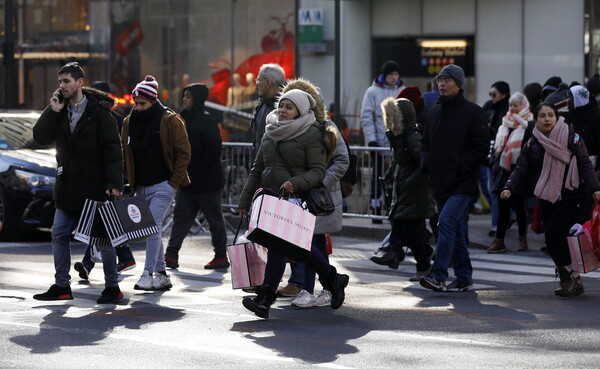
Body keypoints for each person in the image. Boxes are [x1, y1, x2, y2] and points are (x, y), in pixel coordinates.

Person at [238, 89, 350, 319]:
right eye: (282, 105)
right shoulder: (271, 132)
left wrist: (295, 183)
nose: (283, 110)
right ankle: (331, 278)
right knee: (287, 247)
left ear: (301, 110)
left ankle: (265, 299)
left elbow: (319, 171)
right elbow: (257, 170)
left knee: (287, 247)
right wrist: (244, 199)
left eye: (289, 107)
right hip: (271, 199)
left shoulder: (311, 133)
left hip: (296, 199)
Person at [32, 62, 124, 304]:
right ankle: (62, 285)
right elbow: (39, 137)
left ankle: (112, 287)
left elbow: (113, 150)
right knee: (59, 233)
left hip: (94, 186)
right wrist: (51, 111)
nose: (61, 86)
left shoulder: (100, 113)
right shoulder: (59, 109)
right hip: (67, 186)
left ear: (79, 82)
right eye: (59, 81)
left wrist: (114, 182)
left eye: (66, 81)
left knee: (102, 238)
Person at [501, 102, 600, 297]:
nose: (547, 119)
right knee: (553, 238)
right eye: (542, 116)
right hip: (548, 198)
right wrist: (509, 187)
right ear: (536, 119)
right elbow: (522, 168)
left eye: (550, 115)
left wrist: (596, 189)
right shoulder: (532, 143)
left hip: (574, 195)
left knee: (556, 234)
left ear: (557, 117)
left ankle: (572, 277)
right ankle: (569, 278)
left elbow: (585, 165)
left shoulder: (573, 138)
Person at [272, 79, 349, 308]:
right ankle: (312, 287)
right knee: (303, 243)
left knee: (313, 242)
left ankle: (319, 289)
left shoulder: (326, 126)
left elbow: (342, 160)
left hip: (318, 196)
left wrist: (318, 181)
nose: (285, 109)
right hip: (297, 195)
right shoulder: (287, 128)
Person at [419, 64, 489, 292]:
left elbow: (480, 148)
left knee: (446, 222)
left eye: (448, 80)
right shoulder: (433, 113)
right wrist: (426, 165)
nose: (442, 83)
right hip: (440, 182)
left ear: (458, 85)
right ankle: (464, 276)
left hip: (462, 182)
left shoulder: (474, 112)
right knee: (455, 230)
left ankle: (438, 275)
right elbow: (426, 144)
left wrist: (461, 166)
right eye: (440, 79)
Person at [121, 75, 191, 291]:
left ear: (153, 100)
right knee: (152, 229)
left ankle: (147, 273)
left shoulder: (169, 119)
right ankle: (161, 273)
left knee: (152, 227)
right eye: (136, 103)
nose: (138, 107)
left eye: (142, 103)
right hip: (140, 186)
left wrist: (173, 183)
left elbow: (183, 152)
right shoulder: (128, 122)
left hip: (163, 184)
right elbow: (124, 153)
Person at [73, 81, 136, 280]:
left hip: (109, 180)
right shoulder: (111, 119)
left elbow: (118, 152)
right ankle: (121, 258)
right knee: (104, 222)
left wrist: (117, 181)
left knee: (101, 221)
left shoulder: (115, 121)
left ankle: (90, 263)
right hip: (103, 178)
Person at [370, 97, 436, 281]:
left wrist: (409, 182)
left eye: (392, 117)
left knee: (410, 230)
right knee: (406, 229)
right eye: (387, 116)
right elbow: (399, 160)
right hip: (406, 190)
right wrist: (392, 173)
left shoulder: (411, 137)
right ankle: (418, 258)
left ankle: (421, 262)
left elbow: (424, 164)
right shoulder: (399, 137)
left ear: (401, 118)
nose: (389, 120)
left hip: (415, 192)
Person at [164, 83, 229, 270]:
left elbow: (213, 150)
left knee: (214, 219)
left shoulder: (207, 121)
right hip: (187, 181)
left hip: (207, 181)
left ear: (198, 99)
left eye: (189, 97)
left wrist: (196, 168)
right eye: (184, 96)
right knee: (181, 217)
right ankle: (171, 254)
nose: (184, 100)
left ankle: (220, 255)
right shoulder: (181, 119)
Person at [487, 92, 534, 254]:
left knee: (520, 206)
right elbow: (497, 149)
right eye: (511, 105)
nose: (513, 109)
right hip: (504, 170)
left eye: (516, 105)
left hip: (520, 171)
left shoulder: (529, 123)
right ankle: (499, 240)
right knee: (503, 206)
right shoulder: (504, 122)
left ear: (524, 105)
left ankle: (522, 238)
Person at [360, 60, 405, 222]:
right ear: (384, 75)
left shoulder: (402, 90)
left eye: (396, 74)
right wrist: (371, 141)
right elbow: (367, 118)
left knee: (398, 177)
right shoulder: (372, 92)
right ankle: (376, 206)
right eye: (391, 74)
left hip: (398, 145)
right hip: (379, 144)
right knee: (377, 177)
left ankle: (394, 208)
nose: (394, 77)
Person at [247, 63, 286, 163]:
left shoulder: (286, 108)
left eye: (259, 79)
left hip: (275, 172)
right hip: (261, 170)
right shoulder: (261, 105)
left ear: (268, 82)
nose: (257, 83)